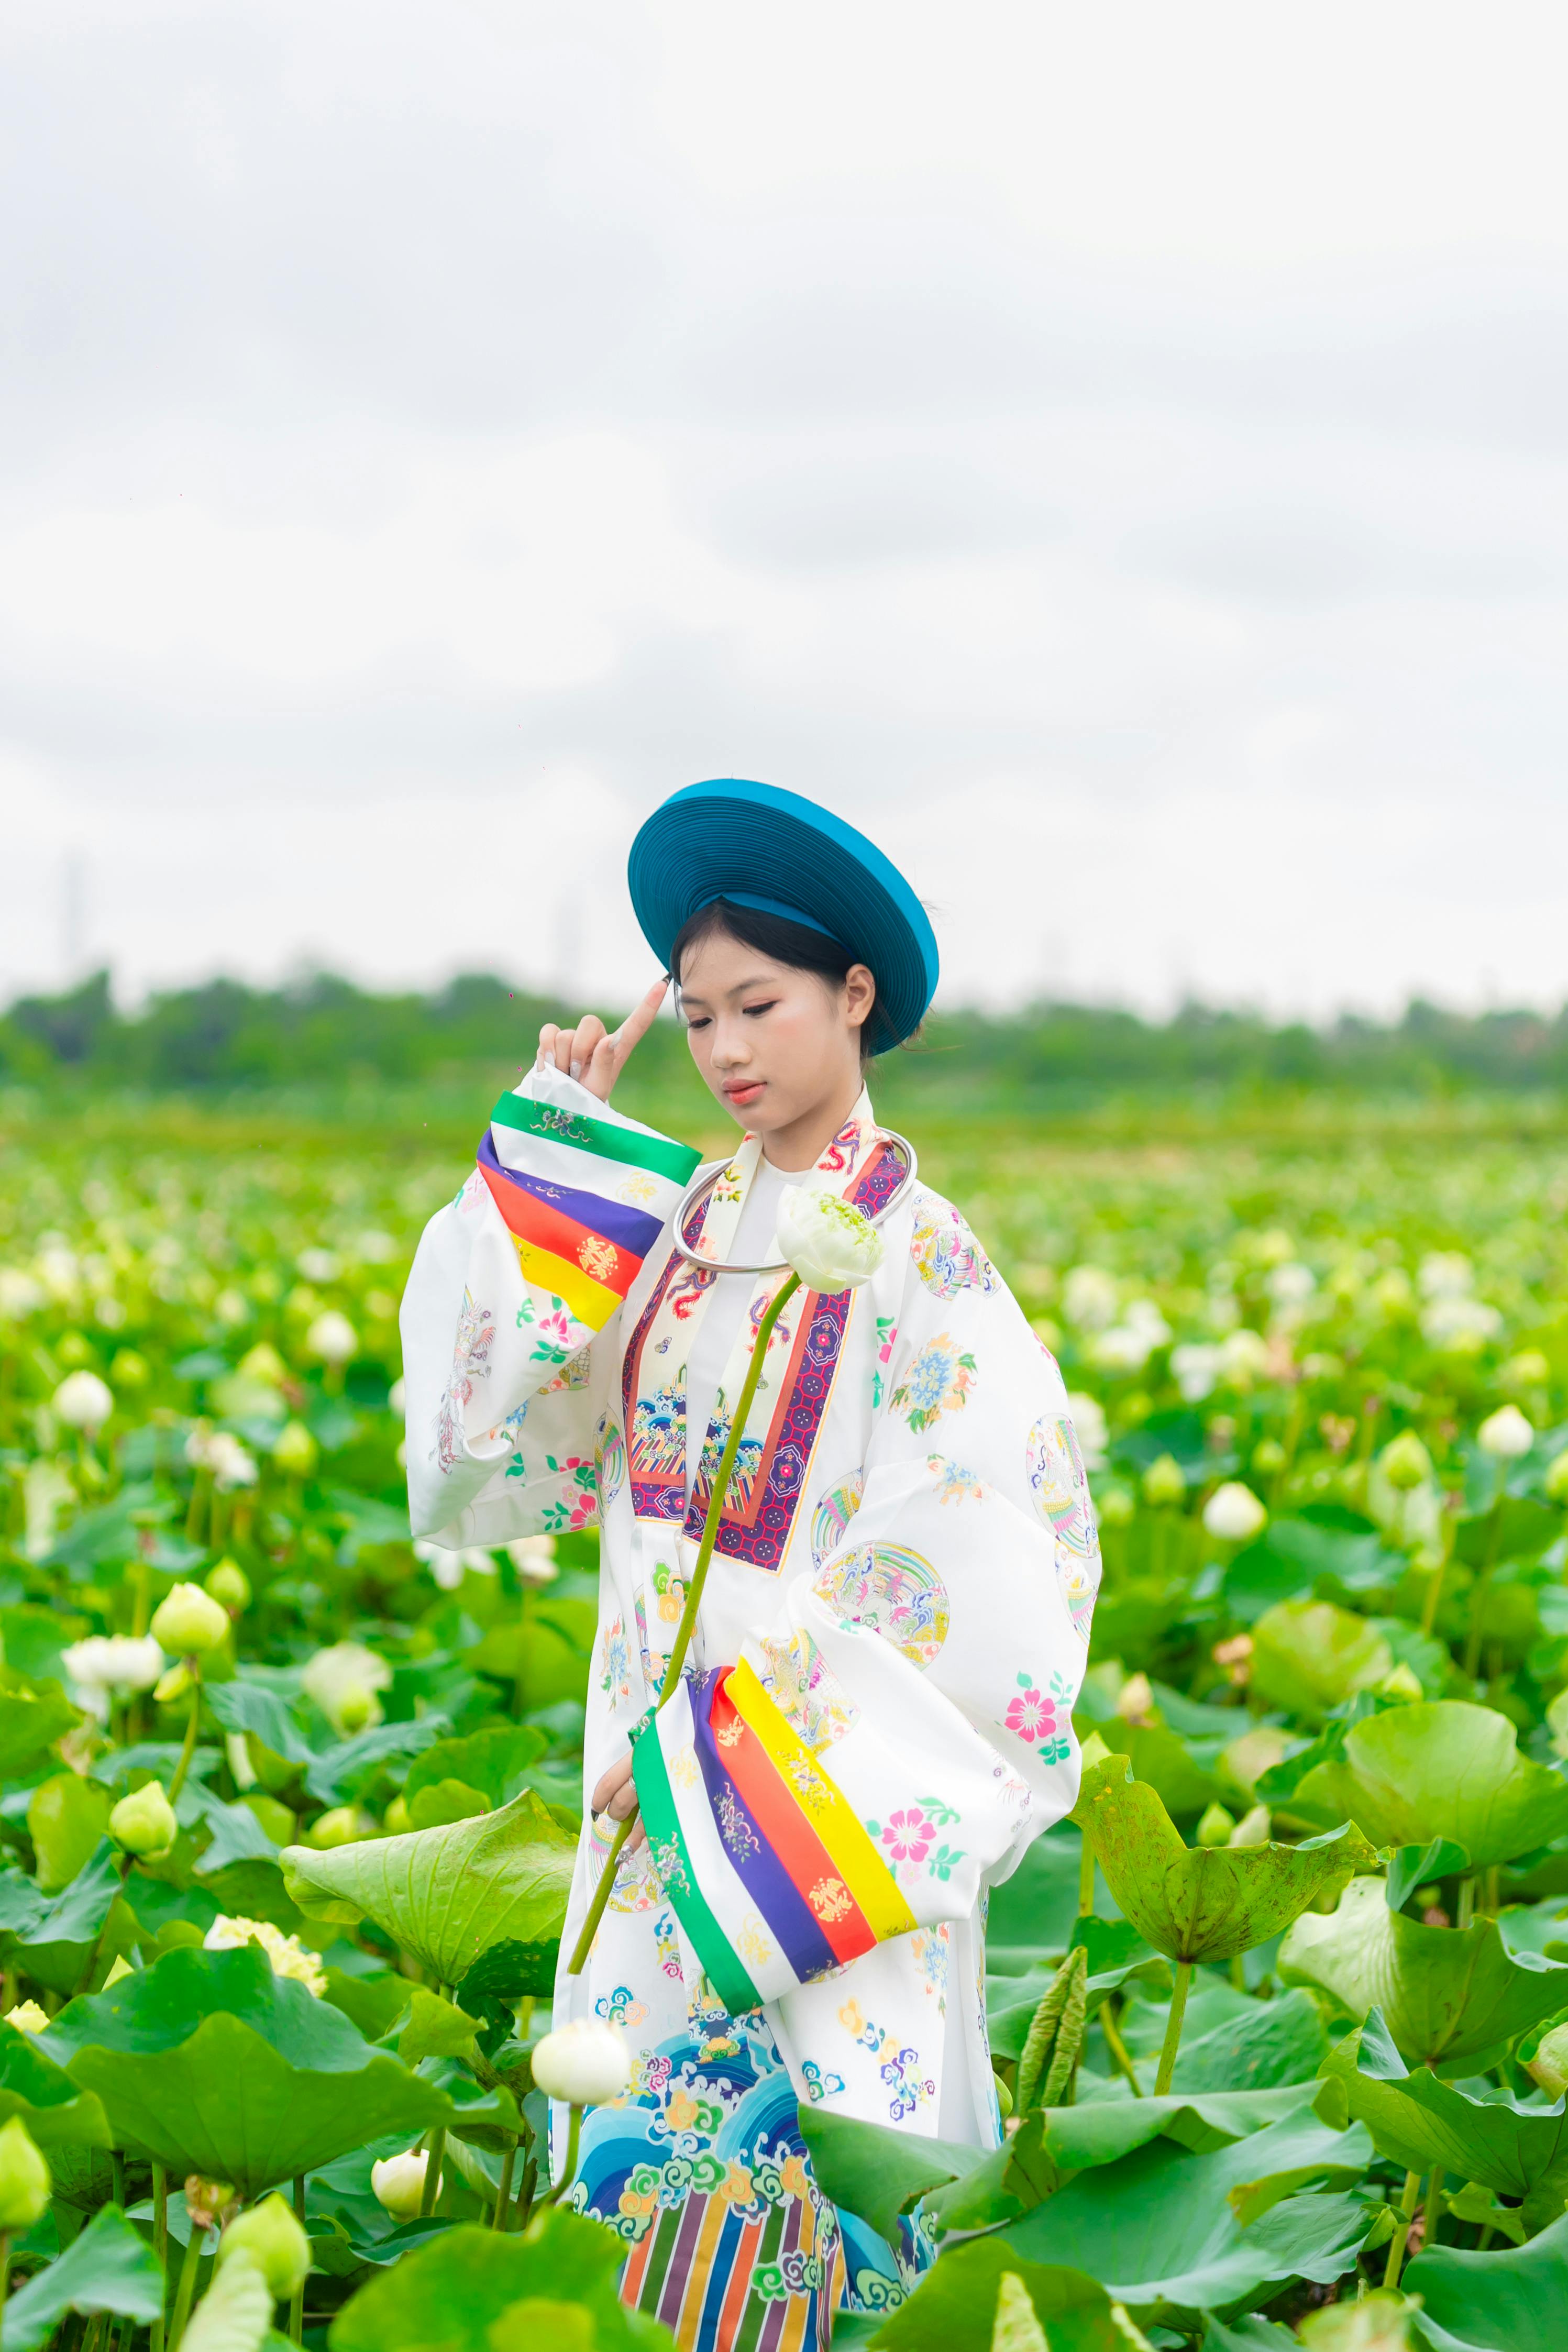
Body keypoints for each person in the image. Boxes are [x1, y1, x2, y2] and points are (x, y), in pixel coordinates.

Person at [400, 778, 1099, 2345]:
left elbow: (986, 1560)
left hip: (802, 1798)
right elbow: (510, 1446)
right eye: (700, 1013)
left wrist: (707, 1763)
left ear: (856, 998)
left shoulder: (926, 1256)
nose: (723, 1051)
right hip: (632, 1758)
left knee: (827, 2151)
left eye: (760, 1006)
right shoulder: (675, 1222)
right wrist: (553, 1161)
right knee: (635, 2166)